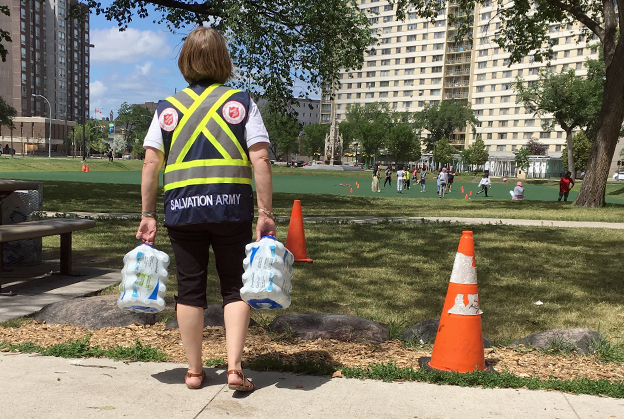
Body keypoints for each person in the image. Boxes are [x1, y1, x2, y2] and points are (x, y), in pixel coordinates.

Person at [136, 27, 276, 393]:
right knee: (235, 288)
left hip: (183, 211)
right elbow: (260, 156)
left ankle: (195, 371)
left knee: (190, 290)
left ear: (185, 62)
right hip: (232, 210)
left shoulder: (167, 109)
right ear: (223, 61)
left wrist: (148, 214)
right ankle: (233, 367)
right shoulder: (242, 103)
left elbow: (151, 163)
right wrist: (265, 212)